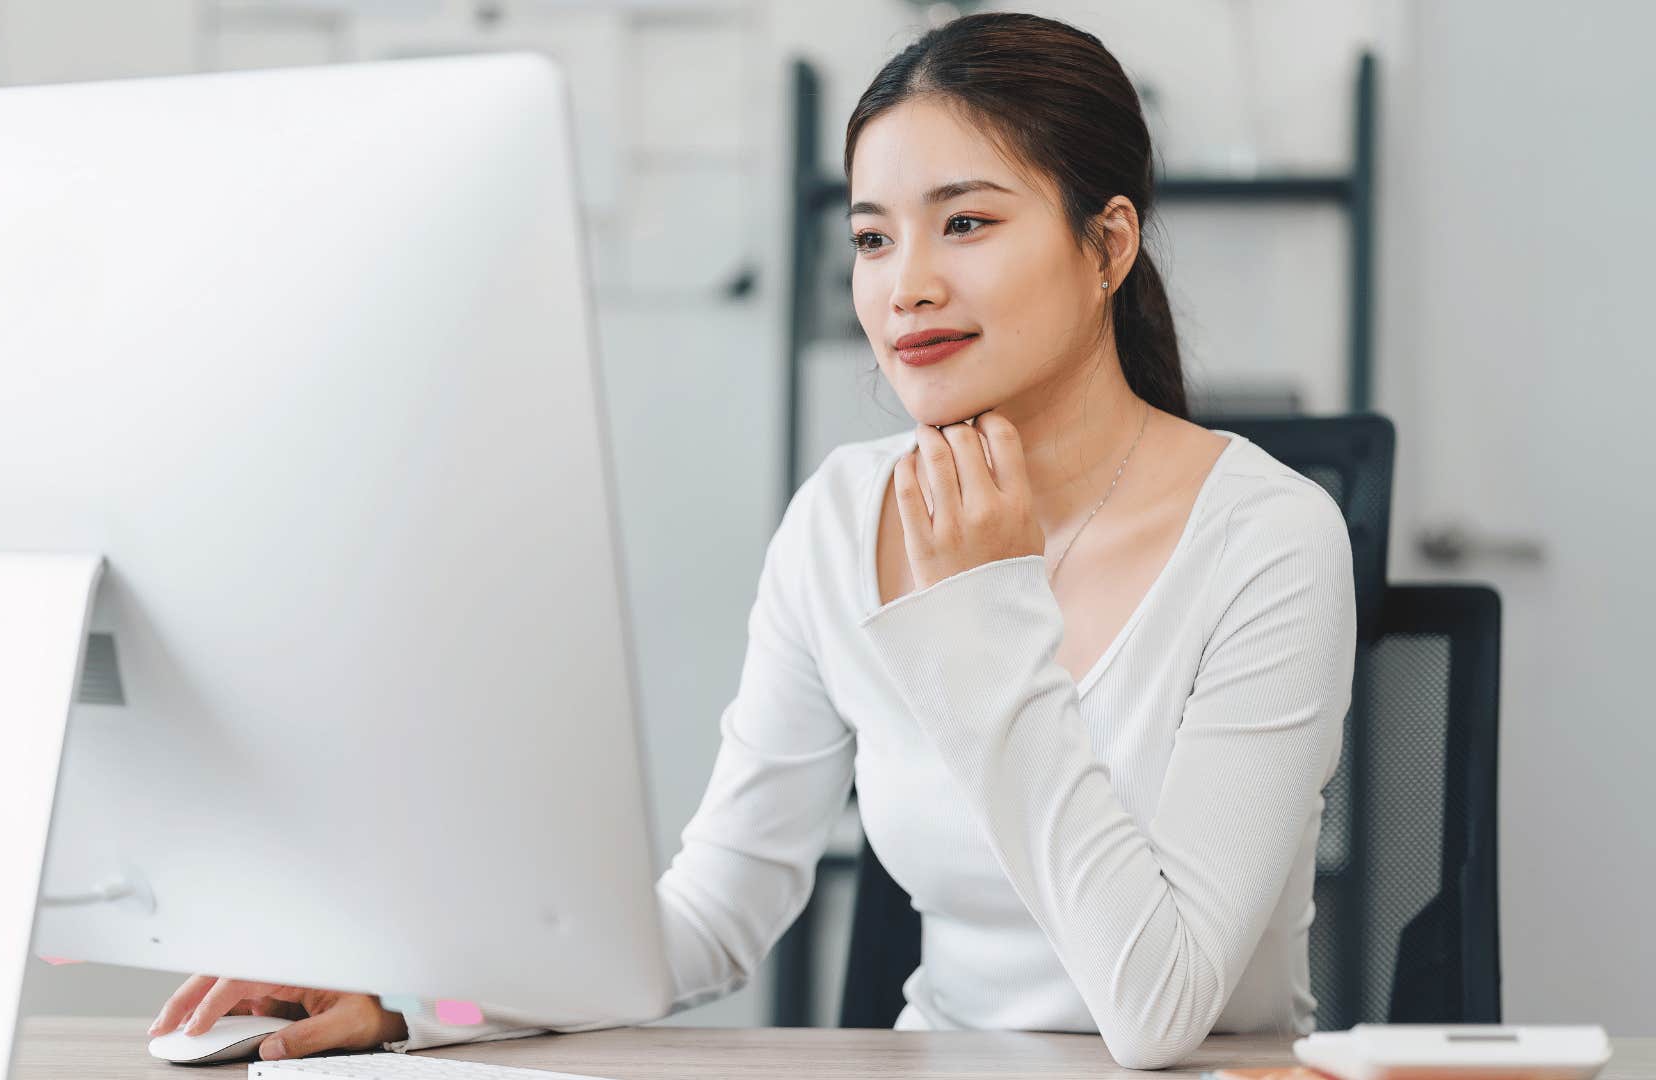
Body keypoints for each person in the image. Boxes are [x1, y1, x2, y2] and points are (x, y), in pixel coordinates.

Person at [147, 11, 1354, 1071]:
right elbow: (710, 916)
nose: (906, 287)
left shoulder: (1271, 543)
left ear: (1108, 246)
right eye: (874, 239)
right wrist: (415, 1001)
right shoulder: (841, 519)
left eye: (967, 223)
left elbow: (1155, 1015)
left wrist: (988, 614)